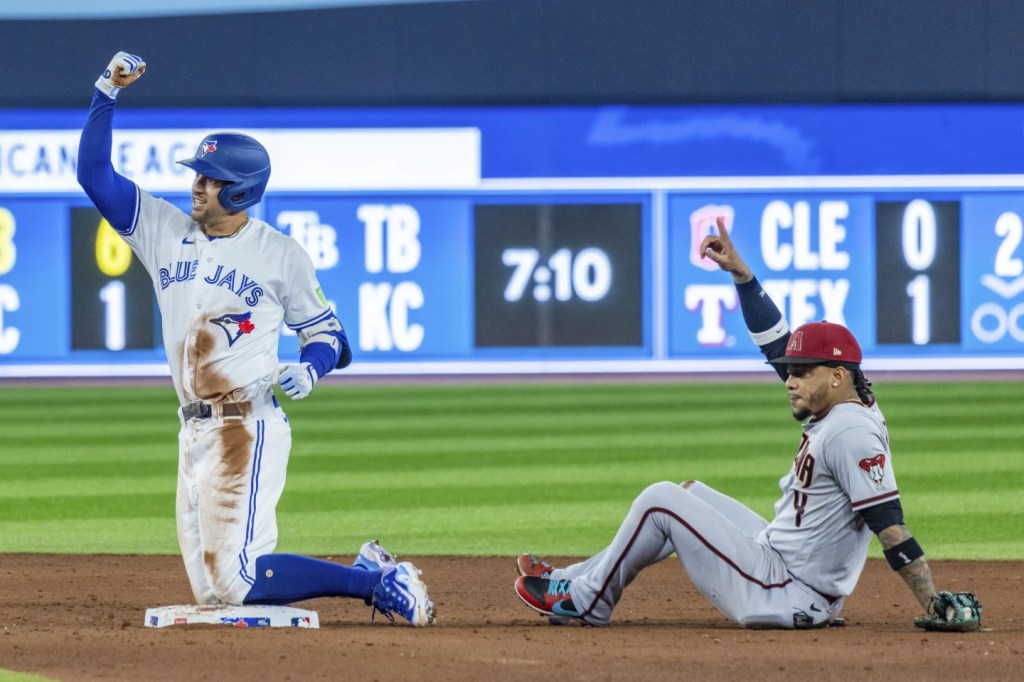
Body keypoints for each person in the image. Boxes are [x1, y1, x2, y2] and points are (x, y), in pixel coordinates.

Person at [77, 52, 434, 626]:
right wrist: (106, 91)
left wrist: (312, 367)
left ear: (240, 191)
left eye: (210, 179)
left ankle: (376, 584)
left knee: (238, 582)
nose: (196, 185)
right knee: (216, 593)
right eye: (197, 174)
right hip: (192, 430)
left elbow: (331, 335)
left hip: (247, 426)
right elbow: (94, 176)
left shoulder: (279, 255)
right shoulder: (164, 230)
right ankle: (371, 567)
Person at [514, 217, 980, 631]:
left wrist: (932, 599)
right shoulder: (846, 404)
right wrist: (744, 277)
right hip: (783, 568)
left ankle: (587, 601)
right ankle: (572, 579)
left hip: (786, 591)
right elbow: (775, 341)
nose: (789, 381)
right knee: (690, 493)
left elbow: (889, 525)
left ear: (837, 376)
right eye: (791, 372)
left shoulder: (849, 431)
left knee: (661, 500)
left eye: (801, 372)